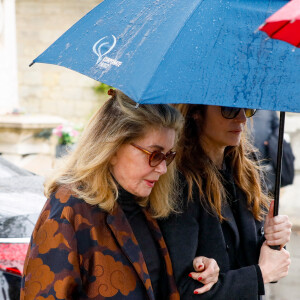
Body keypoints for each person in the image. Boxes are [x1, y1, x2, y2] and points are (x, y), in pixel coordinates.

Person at [20, 91, 219, 300]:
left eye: (168, 156)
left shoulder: (143, 205)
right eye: (155, 155)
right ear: (113, 147)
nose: (162, 168)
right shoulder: (68, 210)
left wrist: (205, 269)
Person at [159, 105, 292, 300]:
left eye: (246, 110)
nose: (242, 119)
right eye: (229, 110)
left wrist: (273, 239)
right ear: (196, 113)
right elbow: (184, 290)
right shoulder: (181, 182)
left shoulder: (246, 170)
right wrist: (260, 274)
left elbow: (267, 266)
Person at [251, 110, 295, 194]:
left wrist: (272, 141)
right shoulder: (242, 108)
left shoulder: (268, 108)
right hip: (244, 160)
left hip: (264, 161)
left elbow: (278, 128)